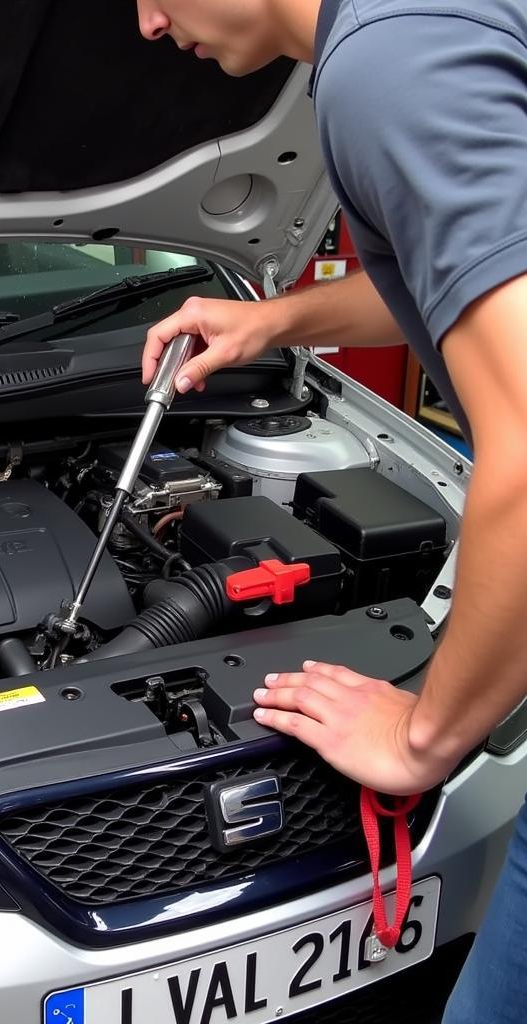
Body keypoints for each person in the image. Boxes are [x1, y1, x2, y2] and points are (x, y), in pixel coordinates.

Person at [135, 1, 527, 1020]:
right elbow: (457, 278)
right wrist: (275, 318)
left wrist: (425, 738)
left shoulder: (386, 67)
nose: (145, 21)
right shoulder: (427, 24)